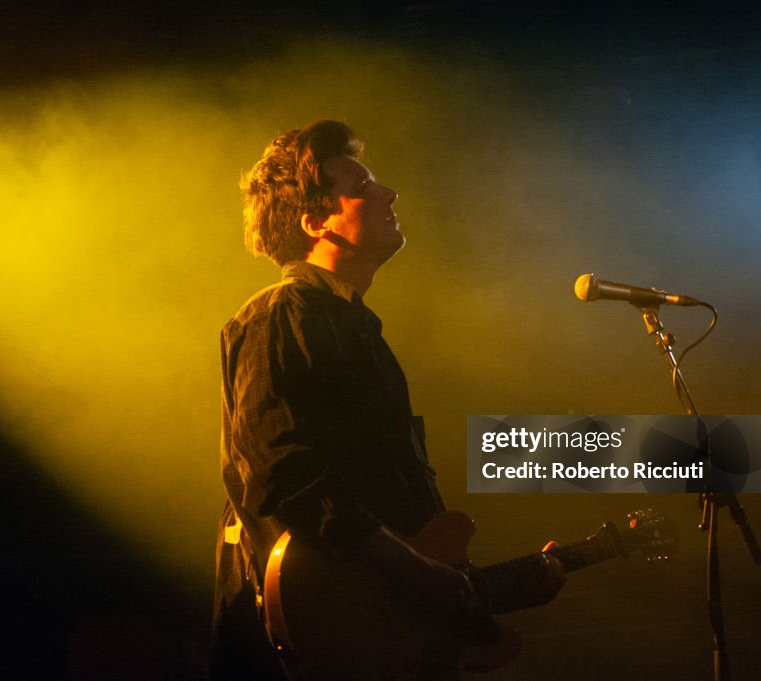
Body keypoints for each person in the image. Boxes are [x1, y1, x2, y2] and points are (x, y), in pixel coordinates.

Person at [209, 120, 564, 680]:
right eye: (364, 186)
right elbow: (287, 478)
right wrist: (425, 577)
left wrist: (471, 591)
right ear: (316, 222)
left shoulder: (353, 326)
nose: (389, 193)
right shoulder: (281, 315)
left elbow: (396, 539)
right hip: (304, 647)